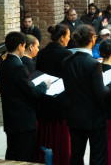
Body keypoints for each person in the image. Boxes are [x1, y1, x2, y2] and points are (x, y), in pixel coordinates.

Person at [62, 25, 111, 165]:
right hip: (94, 117)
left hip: (74, 115)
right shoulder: (93, 64)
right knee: (97, 157)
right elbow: (100, 93)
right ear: (92, 39)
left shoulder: (66, 62)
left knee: (76, 155)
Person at [0, 31, 50, 162]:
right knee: (25, 156)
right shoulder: (19, 67)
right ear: (20, 46)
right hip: (23, 121)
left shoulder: (2, 65)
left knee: (12, 154)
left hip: (10, 118)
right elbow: (32, 92)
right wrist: (44, 84)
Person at [35, 24, 73, 165]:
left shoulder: (42, 53)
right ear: (62, 37)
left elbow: (37, 74)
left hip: (45, 99)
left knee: (47, 136)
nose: (69, 39)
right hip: (62, 102)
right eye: (68, 36)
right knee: (61, 139)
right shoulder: (66, 54)